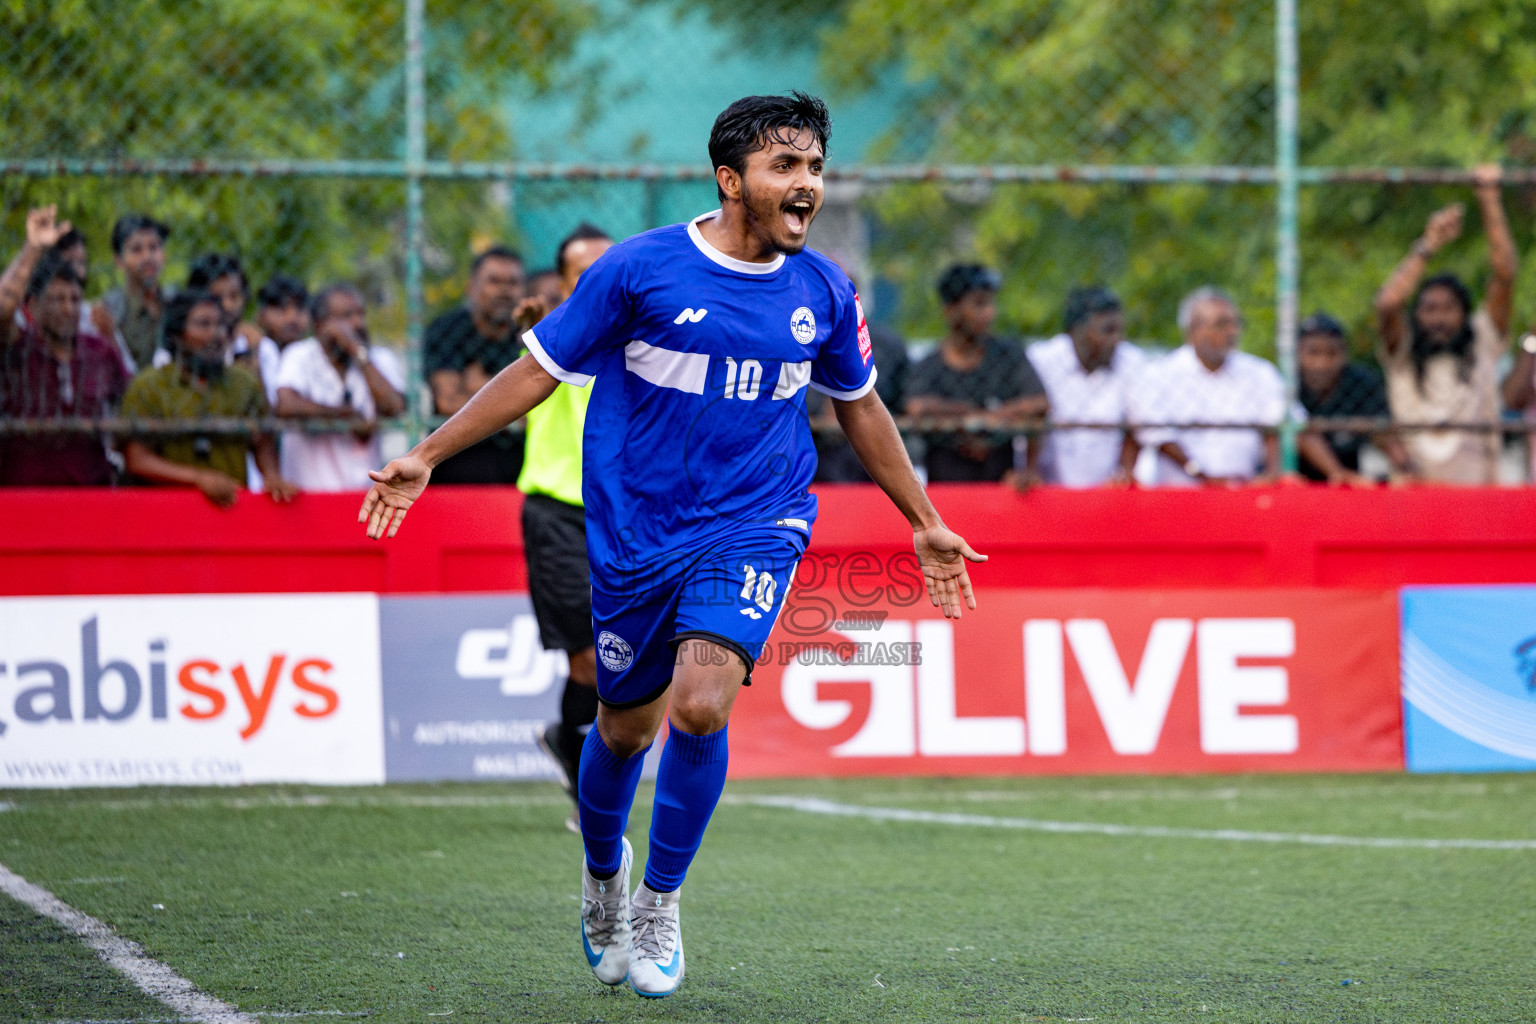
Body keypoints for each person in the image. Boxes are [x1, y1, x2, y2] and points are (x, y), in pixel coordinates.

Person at [357, 92, 984, 999]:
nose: (807, 183)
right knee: (624, 726)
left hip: (757, 521)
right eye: (785, 166)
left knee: (700, 705)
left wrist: (923, 519)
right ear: (731, 180)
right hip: (637, 531)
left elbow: (860, 405)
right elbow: (537, 370)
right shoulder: (639, 270)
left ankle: (660, 900)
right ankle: (602, 874)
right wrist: (426, 454)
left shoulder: (825, 289)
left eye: (815, 167)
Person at [521, 225, 614, 835]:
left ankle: (567, 741)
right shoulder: (552, 335)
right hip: (558, 514)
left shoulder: (643, 336)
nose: (598, 279)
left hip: (621, 515)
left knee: (613, 660)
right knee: (589, 656)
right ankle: (586, 784)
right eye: (584, 272)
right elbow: (529, 357)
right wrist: (532, 328)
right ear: (562, 283)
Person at [1376, 166, 1516, 485]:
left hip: (1478, 494)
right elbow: (1388, 304)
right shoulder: (1402, 353)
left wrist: (1489, 198)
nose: (1438, 319)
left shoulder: (1482, 339)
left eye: (1449, 309)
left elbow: (1505, 273)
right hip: (1418, 494)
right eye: (1429, 309)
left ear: (1465, 315)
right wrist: (1428, 244)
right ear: (1416, 316)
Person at [120, 291, 296, 506]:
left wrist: (272, 476)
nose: (217, 334)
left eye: (221, 325)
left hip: (232, 507)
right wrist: (198, 479)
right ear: (177, 334)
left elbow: (262, 442)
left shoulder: (244, 383)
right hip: (167, 509)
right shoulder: (150, 386)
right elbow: (137, 459)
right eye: (204, 324)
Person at [0, 206, 131, 486]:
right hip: (24, 494)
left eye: (74, 299)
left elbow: (130, 403)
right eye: (57, 299)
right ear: (33, 306)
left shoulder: (99, 351)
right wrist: (32, 249)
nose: (69, 309)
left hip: (90, 495)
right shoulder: (17, 349)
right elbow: (3, 307)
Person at [905, 264, 1049, 482]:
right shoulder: (930, 366)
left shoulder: (1007, 355)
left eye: (991, 303)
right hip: (944, 489)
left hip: (1002, 487)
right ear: (951, 310)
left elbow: (1038, 403)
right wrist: (971, 417)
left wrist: (994, 418)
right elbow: (917, 407)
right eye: (979, 304)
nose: (990, 313)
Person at [1132, 286, 1285, 486]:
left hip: (1244, 490)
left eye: (1235, 323)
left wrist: (1272, 474)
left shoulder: (1259, 372)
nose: (1232, 331)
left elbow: (1278, 425)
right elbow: (1157, 435)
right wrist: (1201, 475)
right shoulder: (1160, 375)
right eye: (1221, 324)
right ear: (1193, 331)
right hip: (1180, 491)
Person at [275, 284, 406, 491]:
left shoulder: (378, 358)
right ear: (319, 324)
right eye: (346, 316)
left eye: (361, 314)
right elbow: (286, 406)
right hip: (308, 494)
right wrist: (344, 416)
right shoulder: (299, 354)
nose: (358, 323)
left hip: (364, 493)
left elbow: (394, 406)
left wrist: (357, 352)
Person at [425, 245, 528, 484]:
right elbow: (448, 403)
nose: (504, 291)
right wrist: (516, 402)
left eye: (513, 283)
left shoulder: (531, 335)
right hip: (459, 461)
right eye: (494, 281)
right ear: (471, 286)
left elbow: (537, 412)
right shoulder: (448, 329)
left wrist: (480, 386)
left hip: (520, 463)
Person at [1027, 286, 1145, 487]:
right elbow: (1029, 421)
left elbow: (1139, 424)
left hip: (1107, 490)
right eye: (1107, 330)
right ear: (1076, 331)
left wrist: (1124, 472)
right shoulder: (1042, 360)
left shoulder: (1131, 361)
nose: (1117, 339)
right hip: (1046, 488)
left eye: (1119, 330)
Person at [1292, 312, 1401, 485]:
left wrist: (1406, 468)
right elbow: (1299, 432)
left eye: (1332, 353)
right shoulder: (1286, 383)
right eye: (1313, 353)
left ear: (1345, 353)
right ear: (1297, 353)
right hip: (1299, 481)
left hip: (1353, 478)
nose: (1322, 363)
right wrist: (1338, 474)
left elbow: (1384, 434)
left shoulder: (1362, 382)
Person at [99, 213, 172, 371]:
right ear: (119, 260)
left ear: (163, 254)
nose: (147, 257)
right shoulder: (108, 310)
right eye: (136, 249)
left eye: (154, 247)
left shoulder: (176, 303)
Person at [188, 253, 263, 364]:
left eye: (234, 296)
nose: (226, 305)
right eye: (216, 297)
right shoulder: (184, 345)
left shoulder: (255, 344)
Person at [252, 275, 311, 405]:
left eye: (299, 308)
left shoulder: (315, 356)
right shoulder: (251, 352)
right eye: (281, 308)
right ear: (261, 316)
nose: (292, 318)